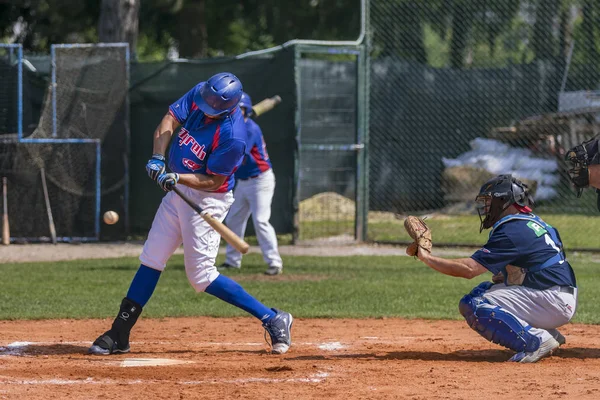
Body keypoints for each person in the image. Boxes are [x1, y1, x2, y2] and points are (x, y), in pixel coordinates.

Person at [88, 72, 293, 356]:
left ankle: (272, 318)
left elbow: (214, 181)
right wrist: (158, 157)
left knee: (201, 276)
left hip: (209, 199)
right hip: (177, 191)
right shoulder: (201, 93)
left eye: (212, 108)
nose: (205, 110)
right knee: (152, 258)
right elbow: (169, 119)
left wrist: (178, 177)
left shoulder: (234, 138)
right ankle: (119, 333)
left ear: (229, 108)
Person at [406, 174, 577, 363]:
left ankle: (536, 340)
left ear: (504, 200)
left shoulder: (513, 230)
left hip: (551, 301)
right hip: (555, 295)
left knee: (474, 304)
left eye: (489, 201)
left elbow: (468, 269)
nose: (485, 207)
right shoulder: (531, 222)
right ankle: (546, 332)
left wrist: (426, 257)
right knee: (486, 289)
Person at [218, 92, 283, 276]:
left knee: (261, 220)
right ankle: (232, 261)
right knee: (233, 219)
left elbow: (239, 157)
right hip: (243, 181)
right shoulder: (236, 127)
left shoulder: (249, 129)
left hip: (260, 180)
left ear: (245, 110)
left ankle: (274, 263)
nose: (235, 113)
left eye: (239, 110)